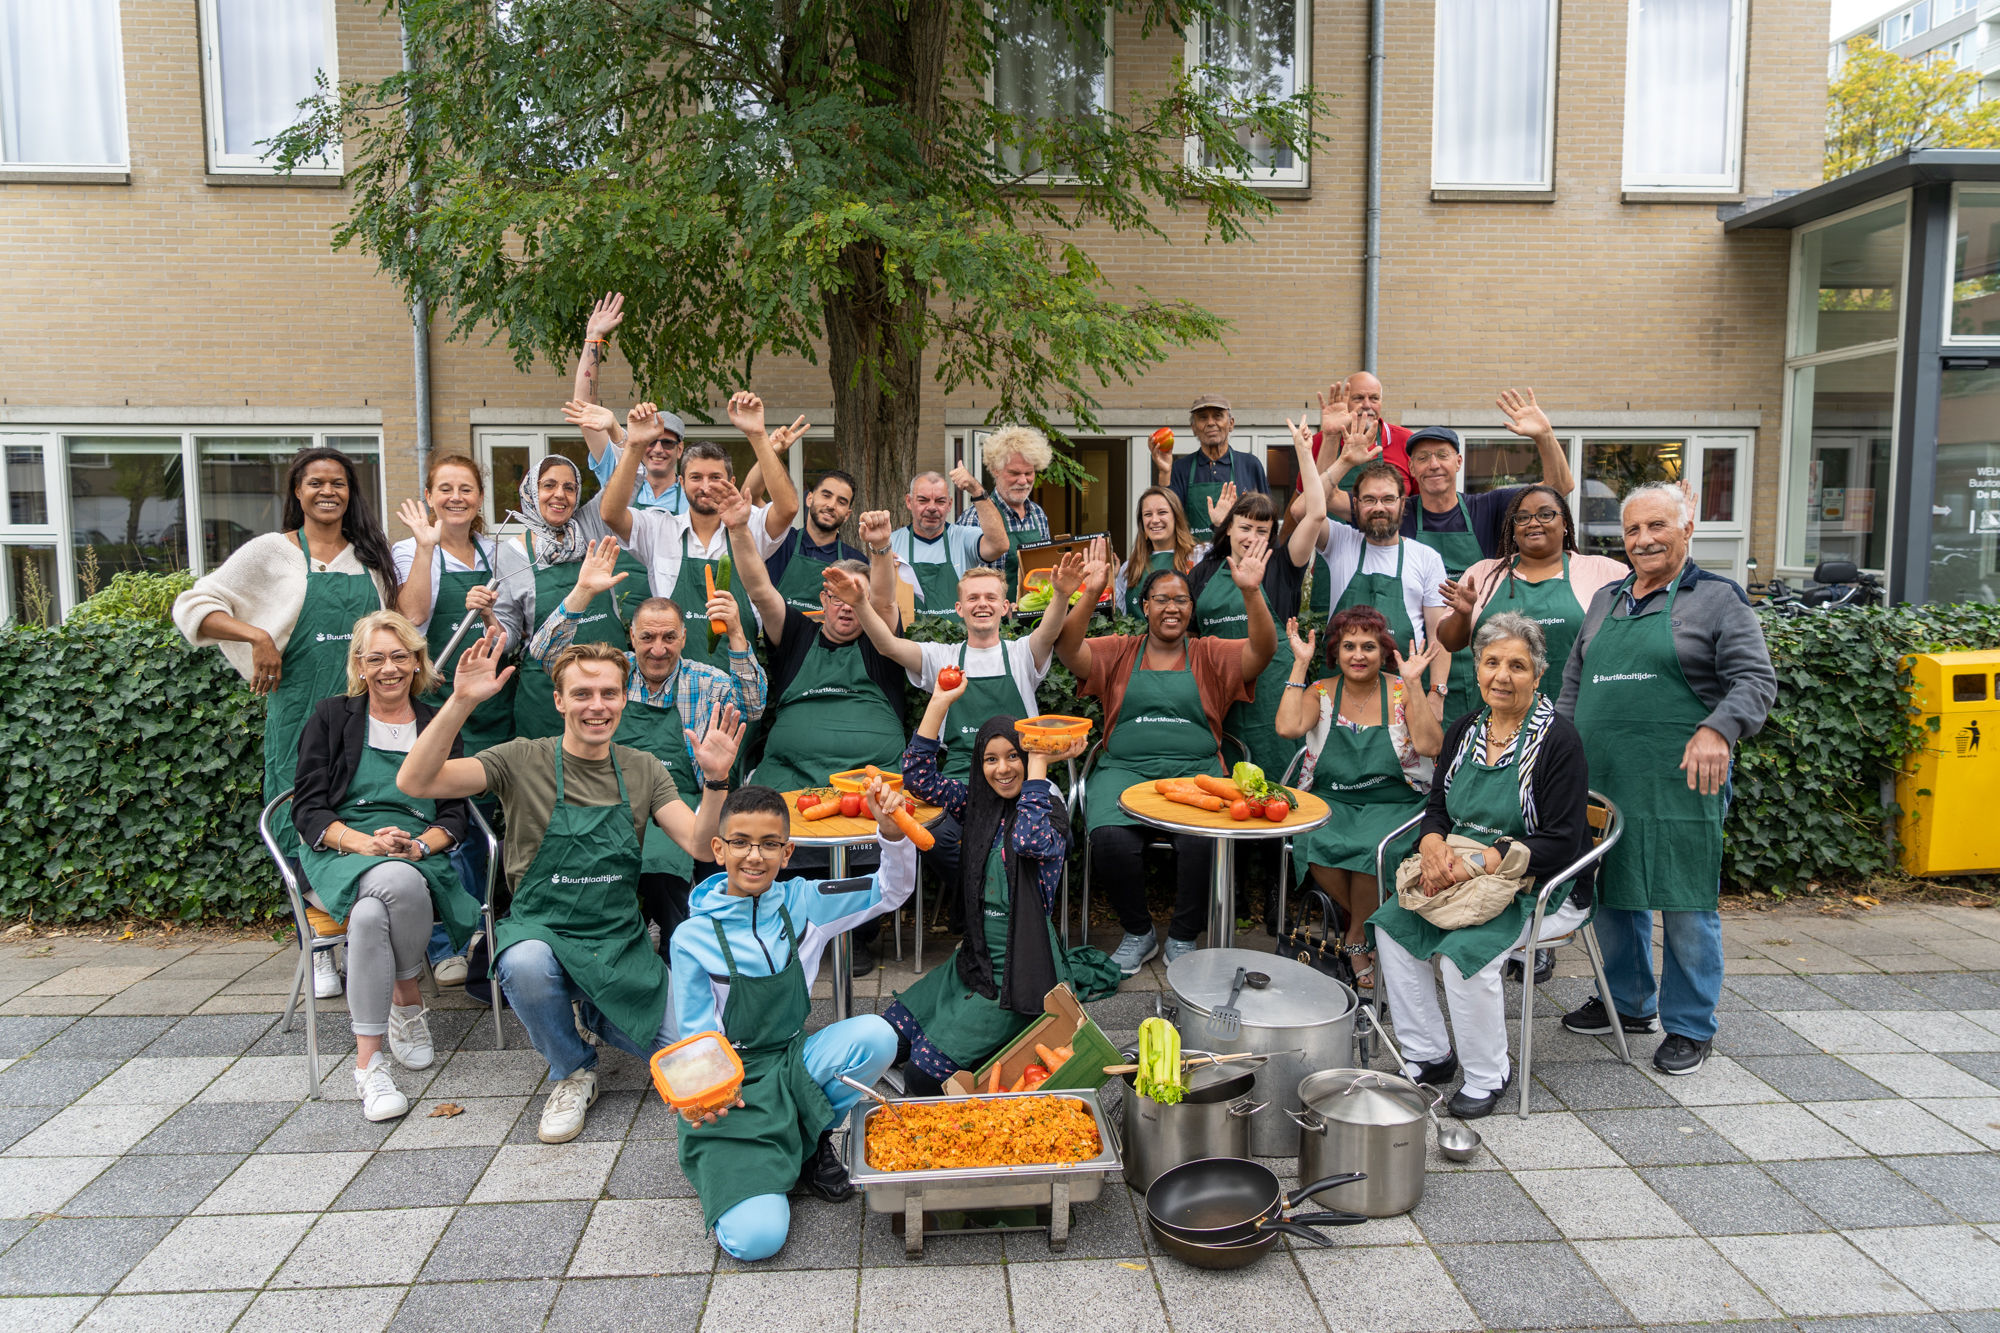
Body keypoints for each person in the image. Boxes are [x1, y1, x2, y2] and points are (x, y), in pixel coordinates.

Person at [397, 633, 744, 1143]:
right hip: (544, 932)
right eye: (582, 694)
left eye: (608, 693)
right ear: (559, 700)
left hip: (618, 946)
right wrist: (461, 701)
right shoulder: (520, 759)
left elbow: (697, 843)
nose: (596, 706)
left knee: (704, 1064)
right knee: (523, 963)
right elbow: (416, 781)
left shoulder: (642, 768)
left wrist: (716, 781)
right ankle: (573, 1070)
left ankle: (604, 1015)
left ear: (624, 698)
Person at [1557, 482, 1776, 1077]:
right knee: (1612, 895)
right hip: (1603, 777)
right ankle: (1628, 1004)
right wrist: (1561, 756)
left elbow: (1755, 682)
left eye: (1657, 526)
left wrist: (1718, 729)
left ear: (1687, 529)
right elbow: (1573, 687)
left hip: (1683, 778)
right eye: (1632, 530)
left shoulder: (1719, 599)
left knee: (1684, 900)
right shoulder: (1606, 599)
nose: (1644, 539)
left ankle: (1689, 1025)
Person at [175, 447, 397, 999]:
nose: (329, 491)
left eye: (339, 483)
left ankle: (361, 937)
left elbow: (398, 624)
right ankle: (317, 945)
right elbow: (193, 604)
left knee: (362, 814)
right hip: (298, 714)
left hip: (363, 717)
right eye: (316, 482)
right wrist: (258, 636)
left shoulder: (369, 556)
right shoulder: (275, 551)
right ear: (297, 492)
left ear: (352, 493)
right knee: (299, 822)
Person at [669, 780, 916, 1262]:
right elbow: (697, 1039)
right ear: (718, 849)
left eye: (768, 844)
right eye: (740, 842)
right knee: (757, 1241)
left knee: (878, 1035)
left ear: (788, 852)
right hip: (733, 1085)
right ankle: (753, 1159)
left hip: (790, 1060)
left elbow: (891, 889)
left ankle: (812, 1138)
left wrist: (890, 832)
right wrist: (704, 1099)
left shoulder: (806, 900)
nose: (753, 856)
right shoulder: (691, 937)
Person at [1369, 612, 1596, 1118]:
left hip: (1537, 884)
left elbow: (1562, 841)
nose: (1502, 675)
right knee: (1393, 928)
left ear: (1539, 675)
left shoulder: (1557, 741)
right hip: (1457, 870)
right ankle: (1430, 1054)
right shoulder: (1466, 729)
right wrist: (1431, 843)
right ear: (1477, 670)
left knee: (1462, 955)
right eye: (1491, 662)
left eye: (1517, 665)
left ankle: (1489, 1074)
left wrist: (1484, 862)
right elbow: (1437, 809)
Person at [526, 536, 768, 953]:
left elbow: (754, 704)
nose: (658, 649)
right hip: (609, 801)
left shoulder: (704, 681)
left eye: (669, 638)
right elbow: (545, 653)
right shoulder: (609, 676)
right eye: (647, 638)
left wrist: (735, 632)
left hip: (685, 802)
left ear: (683, 636)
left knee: (667, 870)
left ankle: (678, 959)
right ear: (631, 636)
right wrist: (583, 591)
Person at [1055, 536, 1275, 973]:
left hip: (1197, 776)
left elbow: (1262, 651)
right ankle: (1138, 933)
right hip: (1123, 771)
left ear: (1192, 609)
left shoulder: (1209, 653)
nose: (1172, 607)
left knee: (1201, 843)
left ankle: (1182, 938)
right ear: (1144, 606)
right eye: (1161, 599)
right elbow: (1067, 650)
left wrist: (1250, 591)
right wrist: (1090, 592)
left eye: (1181, 600)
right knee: (1111, 841)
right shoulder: (1119, 650)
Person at [292, 612, 479, 1120]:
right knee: (391, 882)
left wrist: (418, 846)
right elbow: (306, 808)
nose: (389, 668)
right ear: (359, 664)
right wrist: (361, 843)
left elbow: (454, 816)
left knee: (374, 914)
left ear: (417, 661)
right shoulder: (332, 716)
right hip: (340, 851)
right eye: (375, 658)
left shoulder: (436, 721)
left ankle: (368, 1066)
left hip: (417, 852)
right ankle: (406, 996)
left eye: (400, 656)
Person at [884, 686, 1114, 1095]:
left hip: (1018, 979)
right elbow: (918, 777)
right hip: (972, 964)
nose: (1003, 769)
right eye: (991, 759)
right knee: (889, 1035)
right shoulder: (976, 801)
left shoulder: (1049, 817)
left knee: (921, 1075)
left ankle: (990, 1042)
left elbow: (1026, 840)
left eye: (1014, 757)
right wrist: (939, 699)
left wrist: (1041, 757)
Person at [832, 559, 1069, 905]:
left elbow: (1048, 631)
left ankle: (1015, 915)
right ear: (959, 608)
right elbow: (887, 645)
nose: (982, 604)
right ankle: (980, 906)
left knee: (1036, 832)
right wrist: (858, 604)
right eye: (973, 598)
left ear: (1005, 608)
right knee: (938, 836)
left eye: (991, 597)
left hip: (1023, 777)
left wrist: (1061, 595)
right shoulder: (942, 657)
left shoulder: (1022, 653)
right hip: (962, 779)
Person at [1316, 390, 1577, 699]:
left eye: (1442, 455)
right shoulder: (1396, 511)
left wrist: (1545, 436)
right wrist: (1332, 439)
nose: (1433, 465)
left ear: (1458, 462)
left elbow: (1558, 489)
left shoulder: (1489, 507)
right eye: (1423, 458)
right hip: (1424, 664)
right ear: (1412, 469)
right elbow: (1321, 500)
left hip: (1487, 659)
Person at [1274, 608, 1443, 992]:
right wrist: (1300, 665)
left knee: (1373, 849)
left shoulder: (1401, 690)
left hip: (1397, 803)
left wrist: (1416, 685)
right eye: (1349, 646)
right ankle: (1367, 923)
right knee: (1315, 841)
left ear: (1384, 653)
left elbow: (1432, 746)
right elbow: (1287, 727)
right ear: (1336, 652)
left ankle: (1354, 938)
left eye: (1368, 646)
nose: (1358, 654)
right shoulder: (1321, 691)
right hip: (1330, 800)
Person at [393, 454, 509, 987]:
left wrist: (487, 615)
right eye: (445, 488)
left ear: (480, 498)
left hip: (490, 707)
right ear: (430, 495)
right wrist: (423, 546)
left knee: (487, 825)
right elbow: (411, 617)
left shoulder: (496, 552)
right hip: (434, 707)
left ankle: (483, 930)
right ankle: (442, 943)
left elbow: (510, 633)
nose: (456, 497)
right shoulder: (409, 550)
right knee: (441, 821)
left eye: (466, 488)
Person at [602, 394, 800, 670]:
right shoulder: (659, 527)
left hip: (738, 673)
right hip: (673, 677)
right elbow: (610, 513)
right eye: (696, 477)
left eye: (715, 477)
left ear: (731, 481)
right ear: (681, 482)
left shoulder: (748, 524)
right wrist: (634, 445)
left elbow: (788, 507)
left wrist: (757, 435)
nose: (705, 487)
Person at [1187, 417, 1329, 779]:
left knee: (1277, 791)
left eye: (1262, 530)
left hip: (1274, 699)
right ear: (1228, 528)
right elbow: (1188, 638)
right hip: (1221, 700)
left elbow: (1316, 512)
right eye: (1244, 527)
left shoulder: (1284, 565)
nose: (1252, 537)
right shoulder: (1203, 573)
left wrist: (1304, 451)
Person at [490, 427, 648, 739]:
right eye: (548, 485)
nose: (560, 494)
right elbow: (506, 637)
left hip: (607, 686)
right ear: (531, 493)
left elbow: (631, 481)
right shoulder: (512, 553)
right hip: (547, 695)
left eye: (569, 487)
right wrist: (488, 619)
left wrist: (619, 432)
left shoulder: (591, 523)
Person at [1436, 486, 1630, 701]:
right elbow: (1450, 642)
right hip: (1495, 719)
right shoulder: (1483, 574)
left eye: (1546, 515)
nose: (1533, 522)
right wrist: (1462, 614)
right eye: (1523, 517)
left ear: (1564, 523)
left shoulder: (1606, 572)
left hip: (1574, 714)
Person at [1318, 460, 1451, 707]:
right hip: (1339, 696)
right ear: (1355, 505)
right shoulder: (1339, 541)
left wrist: (1436, 693)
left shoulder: (1426, 558)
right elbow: (1303, 509)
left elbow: (1438, 635)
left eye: (1388, 499)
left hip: (1404, 697)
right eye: (1369, 500)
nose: (1379, 507)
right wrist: (1345, 460)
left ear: (1403, 504)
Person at [569, 291, 689, 514]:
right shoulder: (620, 475)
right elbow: (583, 410)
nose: (657, 449)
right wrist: (594, 337)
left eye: (667, 443)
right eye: (650, 442)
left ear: (680, 449)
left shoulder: (693, 495)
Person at [890, 466, 1008, 623]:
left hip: (959, 642)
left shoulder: (964, 537)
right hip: (909, 643)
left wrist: (975, 489)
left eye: (940, 501)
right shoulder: (890, 544)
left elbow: (999, 545)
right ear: (909, 502)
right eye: (923, 500)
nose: (932, 508)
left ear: (949, 504)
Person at [1149, 393, 1271, 544]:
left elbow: (1267, 518)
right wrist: (1165, 472)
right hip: (1193, 560)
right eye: (1203, 418)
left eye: (1218, 416)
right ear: (1193, 428)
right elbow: (1166, 518)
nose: (1211, 423)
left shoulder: (1250, 465)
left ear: (1231, 423)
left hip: (1241, 560)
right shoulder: (1180, 468)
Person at [956, 425, 1053, 595]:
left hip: (1034, 616)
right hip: (992, 617)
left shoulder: (1038, 514)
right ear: (996, 470)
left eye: (1028, 473)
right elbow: (962, 578)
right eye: (1014, 473)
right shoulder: (974, 517)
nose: (1023, 481)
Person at [764, 467, 868, 616]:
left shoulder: (856, 561)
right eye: (826, 495)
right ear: (809, 499)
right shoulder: (780, 541)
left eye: (841, 502)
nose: (831, 505)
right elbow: (753, 495)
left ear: (847, 515)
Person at [1113, 487, 1202, 618]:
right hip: (1139, 639)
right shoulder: (1128, 568)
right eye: (1148, 514)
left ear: (1176, 517)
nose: (1154, 520)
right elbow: (1118, 617)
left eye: (1162, 512)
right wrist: (1109, 582)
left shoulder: (1199, 556)